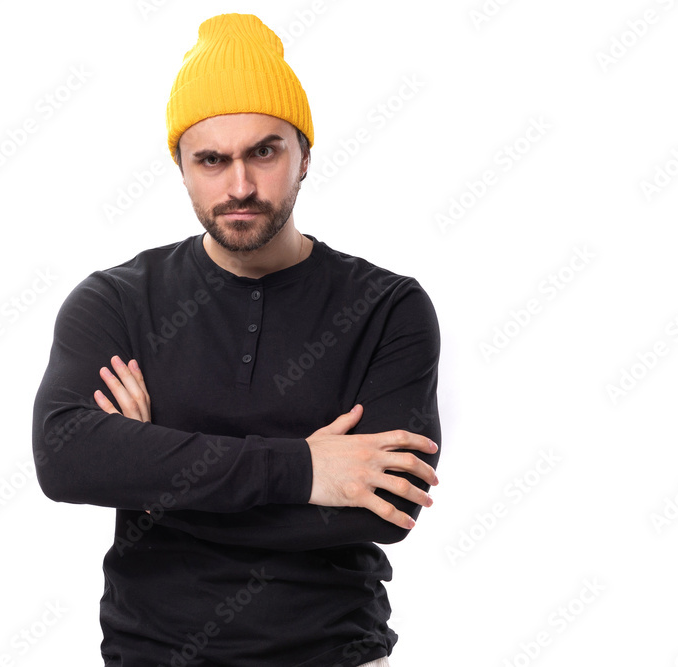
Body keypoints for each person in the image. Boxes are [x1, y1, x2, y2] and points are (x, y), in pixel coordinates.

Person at [31, 13, 441, 667]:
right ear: (182, 165)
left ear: (304, 153)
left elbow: (383, 508)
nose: (240, 185)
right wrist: (305, 470)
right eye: (212, 159)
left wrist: (150, 473)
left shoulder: (388, 308)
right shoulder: (115, 301)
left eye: (265, 151)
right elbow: (63, 459)